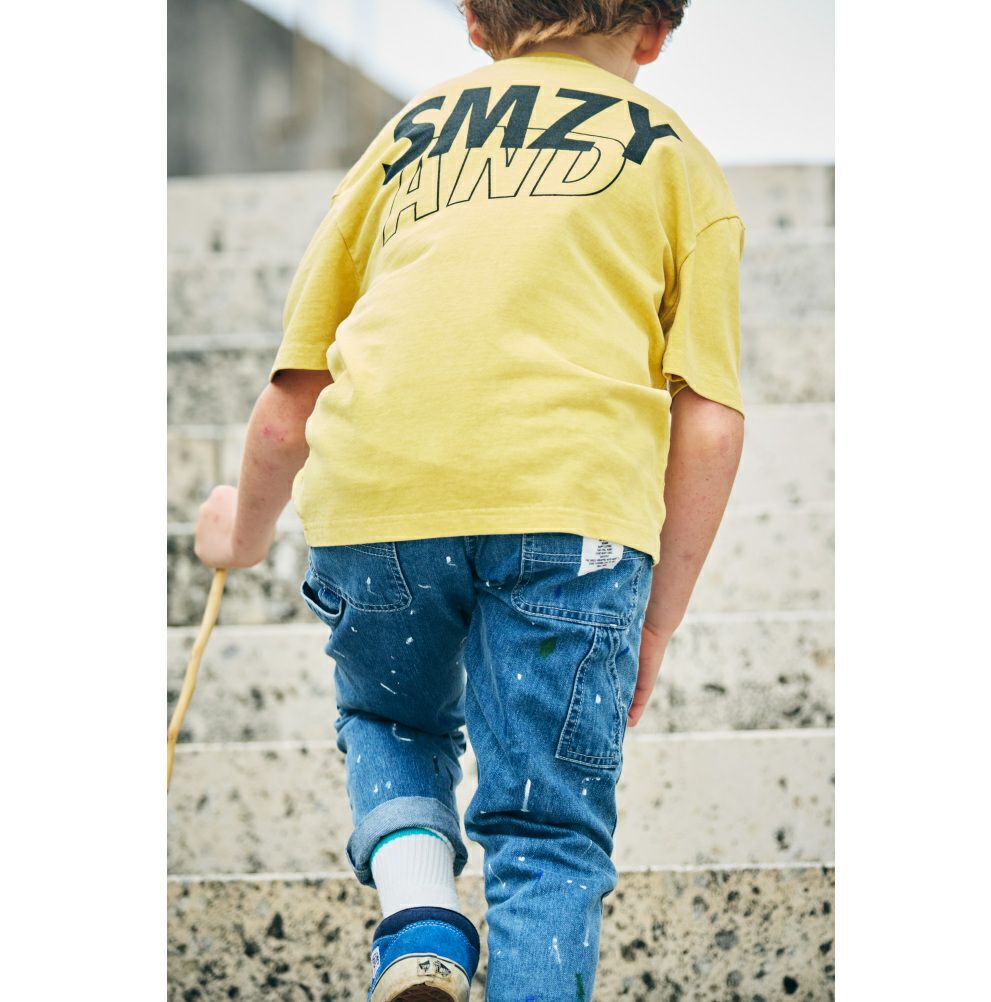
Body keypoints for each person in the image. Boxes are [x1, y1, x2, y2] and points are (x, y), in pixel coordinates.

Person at [193, 1, 745, 998]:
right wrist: (656, 623)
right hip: (572, 517)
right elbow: (707, 424)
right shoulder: (675, 159)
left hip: (377, 503)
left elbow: (287, 409)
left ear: (475, 26)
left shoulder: (402, 144)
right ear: (655, 33)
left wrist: (242, 532)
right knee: (547, 826)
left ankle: (419, 917)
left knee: (391, 718)